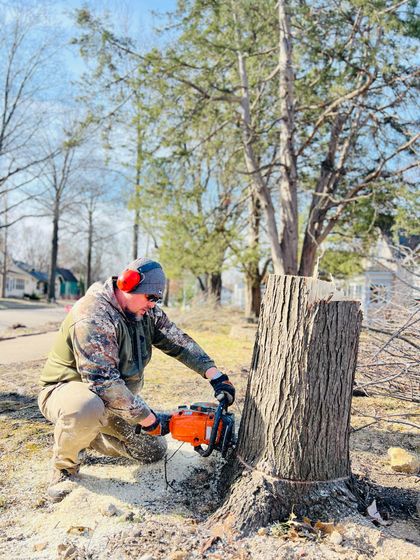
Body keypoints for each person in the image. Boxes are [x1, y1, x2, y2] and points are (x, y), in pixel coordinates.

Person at [38, 257, 235, 502]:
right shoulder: (93, 314)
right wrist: (148, 417)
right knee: (86, 408)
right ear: (127, 284)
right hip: (69, 391)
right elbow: (103, 383)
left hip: (115, 402)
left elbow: (179, 342)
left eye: (157, 299)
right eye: (150, 297)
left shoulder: (145, 313)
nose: (153, 305)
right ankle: (65, 468)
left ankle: (87, 437)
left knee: (153, 450)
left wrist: (216, 376)